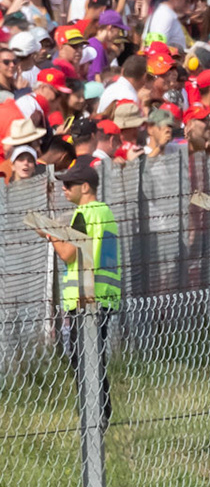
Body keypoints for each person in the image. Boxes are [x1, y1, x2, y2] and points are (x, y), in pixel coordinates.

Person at [40, 162, 121, 419]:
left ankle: (95, 412)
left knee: (82, 358)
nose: (64, 188)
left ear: (85, 187)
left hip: (86, 298)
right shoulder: (105, 212)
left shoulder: (83, 214)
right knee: (92, 356)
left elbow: (69, 254)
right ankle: (98, 410)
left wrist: (52, 234)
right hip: (105, 293)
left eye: (69, 185)